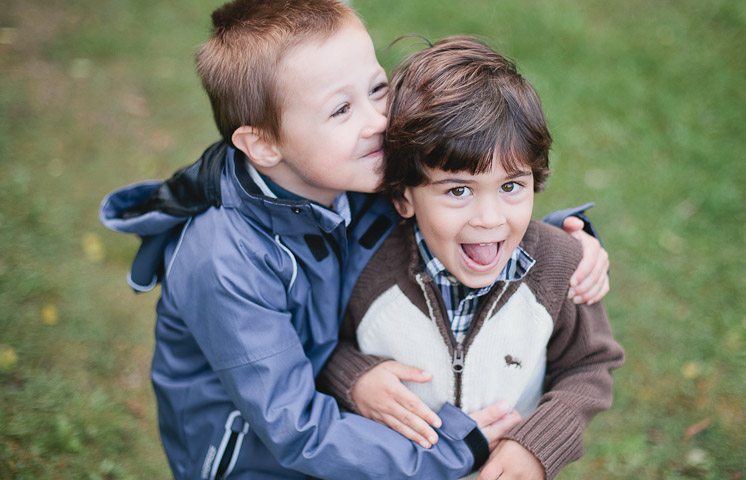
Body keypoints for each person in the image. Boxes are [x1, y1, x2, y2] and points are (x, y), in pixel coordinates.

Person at [99, 1, 610, 478]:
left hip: (353, 443)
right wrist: (452, 449)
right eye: (340, 110)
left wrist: (566, 244)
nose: (377, 123)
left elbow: (463, 201)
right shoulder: (222, 260)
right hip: (258, 459)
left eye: (377, 89)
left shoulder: (356, 176)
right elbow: (295, 428)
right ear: (263, 143)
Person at [317, 36, 624, 480]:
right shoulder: (369, 268)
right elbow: (324, 347)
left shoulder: (559, 268)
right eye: (458, 190)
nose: (489, 218)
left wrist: (537, 447)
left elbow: (590, 365)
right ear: (404, 197)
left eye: (511, 186)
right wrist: (355, 379)